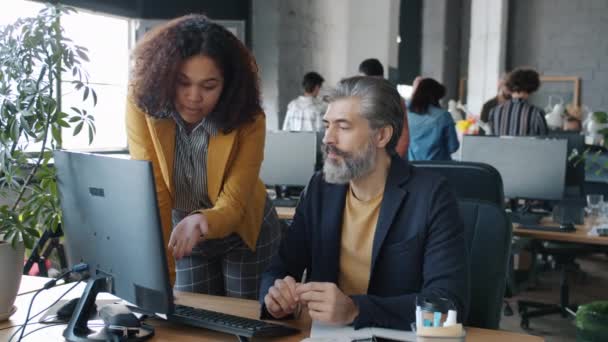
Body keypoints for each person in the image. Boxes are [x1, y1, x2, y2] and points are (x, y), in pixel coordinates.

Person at [259, 76, 469, 330]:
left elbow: (447, 304)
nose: (327, 138)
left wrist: (356, 309)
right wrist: (275, 296)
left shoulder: (431, 195)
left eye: (343, 127)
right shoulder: (320, 187)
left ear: (381, 135)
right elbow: (280, 268)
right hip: (326, 335)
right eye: (327, 125)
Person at [126, 14, 282, 299]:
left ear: (228, 86)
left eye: (208, 86)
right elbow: (155, 191)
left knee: (245, 322)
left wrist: (204, 220)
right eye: (182, 83)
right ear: (165, 76)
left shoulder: (248, 118)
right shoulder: (143, 106)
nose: (193, 97)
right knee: (192, 322)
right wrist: (162, 277)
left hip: (245, 232)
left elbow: (234, 202)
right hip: (184, 233)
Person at [358, 58, 410, 159]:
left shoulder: (394, 98)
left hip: (387, 157)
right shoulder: (358, 98)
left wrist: (392, 161)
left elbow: (404, 133)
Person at [407, 78, 460, 161]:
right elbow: (453, 147)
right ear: (436, 97)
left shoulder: (407, 115)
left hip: (413, 167)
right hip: (438, 169)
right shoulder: (443, 116)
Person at [488, 67, 548, 136]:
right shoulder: (536, 113)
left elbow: (492, 138)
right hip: (526, 147)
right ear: (532, 87)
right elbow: (544, 140)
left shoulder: (494, 111)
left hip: (500, 147)